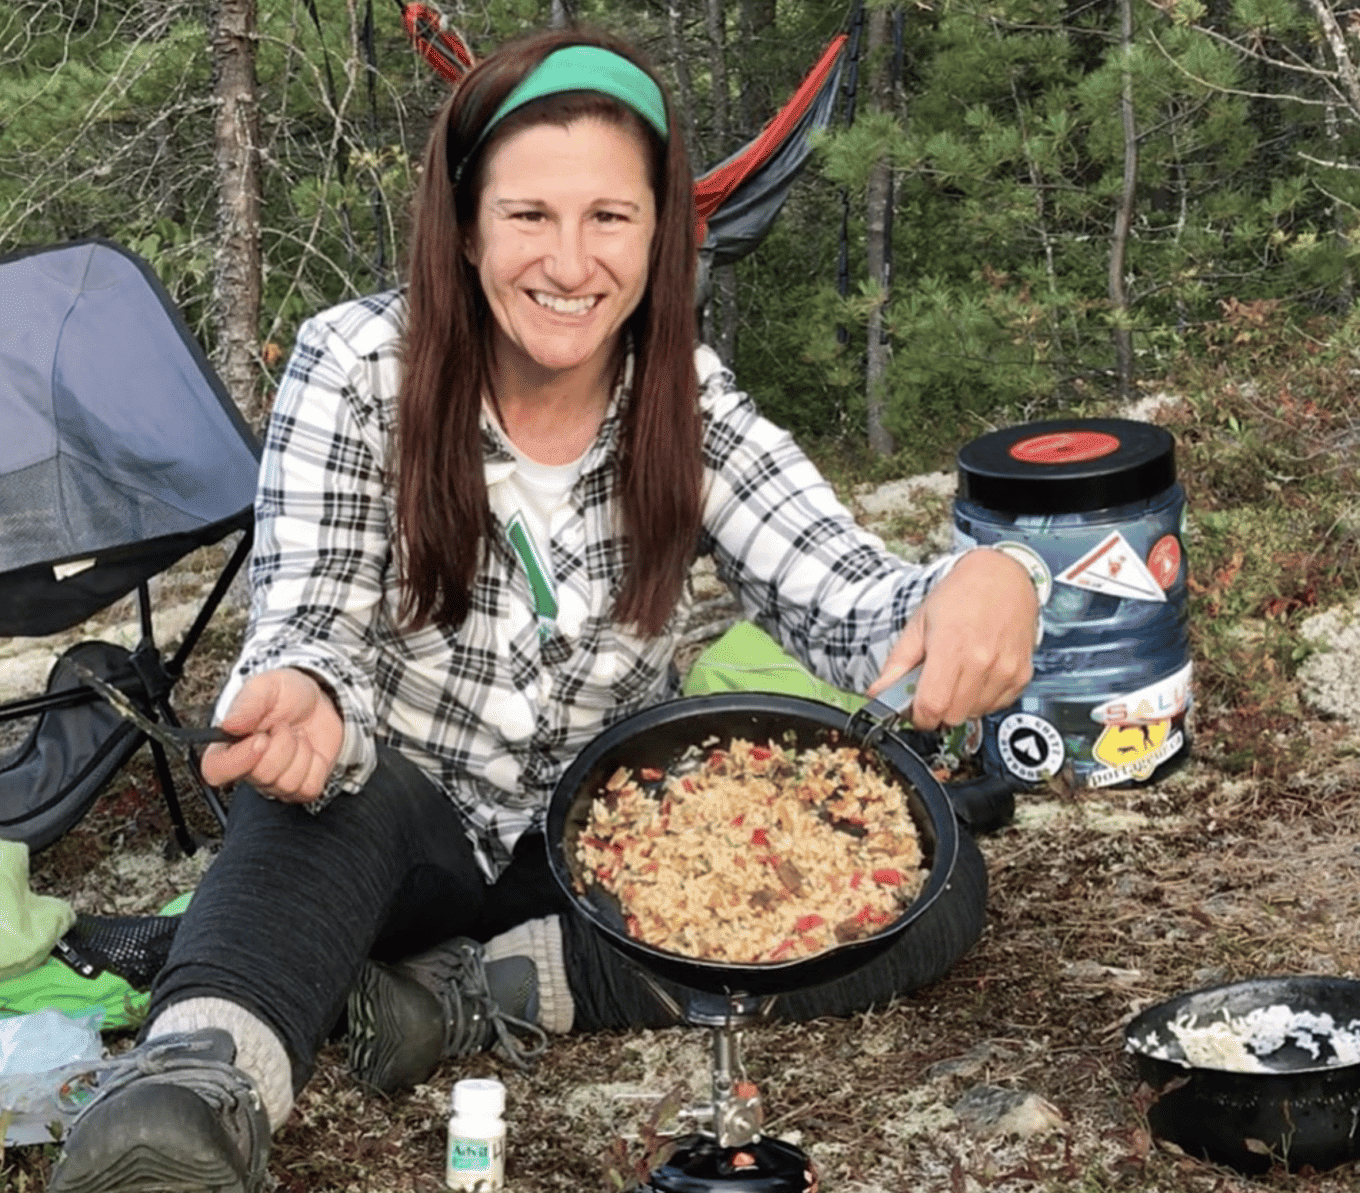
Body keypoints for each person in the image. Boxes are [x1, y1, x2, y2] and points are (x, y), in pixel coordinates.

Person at [46, 25, 1038, 1193]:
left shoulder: (691, 403)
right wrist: (305, 693)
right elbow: (306, 610)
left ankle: (467, 994)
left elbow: (850, 594)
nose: (570, 263)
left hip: (594, 849)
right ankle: (194, 1088)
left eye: (610, 217)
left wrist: (993, 576)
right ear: (465, 226)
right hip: (392, 816)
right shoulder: (359, 364)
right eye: (529, 215)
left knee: (936, 883)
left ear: (660, 234)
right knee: (300, 808)